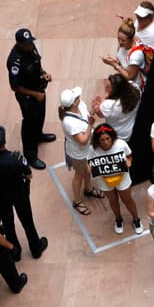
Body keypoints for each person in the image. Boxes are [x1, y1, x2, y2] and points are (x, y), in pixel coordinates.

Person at [0, 126, 48, 260]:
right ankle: (35, 247)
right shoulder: (15, 158)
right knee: (27, 221)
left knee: (8, 223)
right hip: (19, 194)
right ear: (4, 142)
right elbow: (28, 175)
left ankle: (15, 251)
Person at [6, 28, 56, 170]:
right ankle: (30, 154)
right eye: (27, 44)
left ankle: (39, 135)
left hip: (39, 89)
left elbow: (36, 64)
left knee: (40, 116)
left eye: (31, 42)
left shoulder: (31, 49)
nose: (31, 45)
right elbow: (15, 86)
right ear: (19, 44)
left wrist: (44, 73)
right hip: (28, 97)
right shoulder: (15, 61)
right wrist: (34, 94)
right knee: (29, 123)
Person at [86, 124, 140, 235]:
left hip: (122, 177)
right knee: (113, 200)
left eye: (107, 139)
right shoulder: (92, 149)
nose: (105, 142)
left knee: (127, 200)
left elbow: (129, 155)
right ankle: (118, 219)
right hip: (104, 179)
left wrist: (129, 161)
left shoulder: (121, 144)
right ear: (98, 140)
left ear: (112, 137)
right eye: (102, 140)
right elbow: (89, 162)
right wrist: (89, 168)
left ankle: (136, 219)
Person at [59, 87, 98, 215]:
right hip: (78, 153)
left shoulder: (80, 105)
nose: (79, 98)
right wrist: (91, 125)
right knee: (79, 175)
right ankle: (77, 201)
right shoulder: (69, 122)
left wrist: (94, 109)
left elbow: (86, 116)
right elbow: (83, 140)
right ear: (73, 103)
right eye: (76, 98)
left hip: (87, 149)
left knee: (87, 170)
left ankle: (88, 188)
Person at [101, 18, 152, 90]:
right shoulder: (122, 45)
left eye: (123, 40)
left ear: (131, 39)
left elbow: (130, 76)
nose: (120, 42)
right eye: (118, 38)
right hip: (126, 79)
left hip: (136, 85)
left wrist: (114, 64)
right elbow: (122, 60)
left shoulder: (136, 56)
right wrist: (114, 61)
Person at [92, 74, 140, 141]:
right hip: (129, 133)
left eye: (108, 87)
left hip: (114, 135)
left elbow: (100, 114)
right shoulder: (136, 90)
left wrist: (105, 95)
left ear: (115, 91)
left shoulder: (110, 105)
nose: (106, 87)